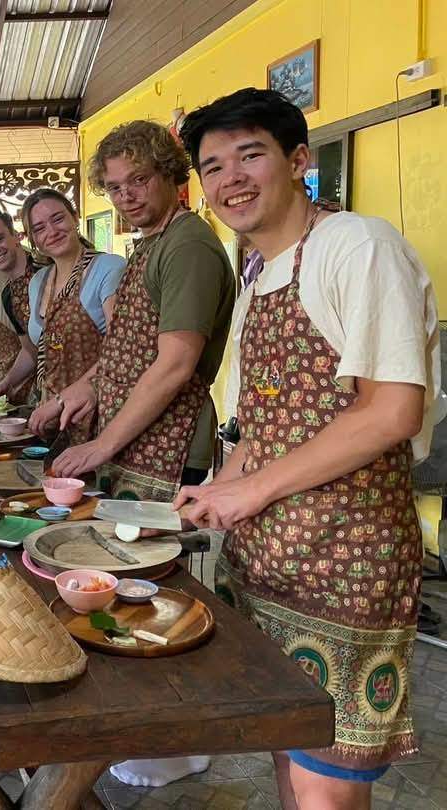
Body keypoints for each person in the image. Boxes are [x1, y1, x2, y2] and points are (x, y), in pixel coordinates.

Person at [176, 87, 440, 810]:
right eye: (212, 165)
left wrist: (250, 492)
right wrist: (215, 491)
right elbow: (270, 422)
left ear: (298, 161)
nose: (230, 178)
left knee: (328, 785)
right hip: (269, 563)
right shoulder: (259, 273)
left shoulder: (358, 245)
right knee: (288, 754)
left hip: (343, 567)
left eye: (249, 155)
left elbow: (391, 410)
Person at [50, 120, 235, 506]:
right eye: (115, 188)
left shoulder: (187, 246)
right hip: (136, 439)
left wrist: (102, 444)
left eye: (139, 180)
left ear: (169, 173)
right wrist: (92, 385)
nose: (127, 196)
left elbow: (175, 366)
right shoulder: (155, 240)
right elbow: (130, 346)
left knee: (146, 562)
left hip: (170, 441)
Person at [22, 190, 125, 446]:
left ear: (75, 218)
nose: (52, 231)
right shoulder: (38, 281)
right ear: (34, 239)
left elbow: (121, 349)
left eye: (58, 219)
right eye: (40, 228)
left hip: (99, 414)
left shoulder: (108, 268)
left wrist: (61, 400)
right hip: (52, 420)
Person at [0, 206, 45, 405]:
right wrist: (7, 382)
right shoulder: (8, 295)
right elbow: (31, 351)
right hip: (51, 392)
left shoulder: (47, 270)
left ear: (16, 236)